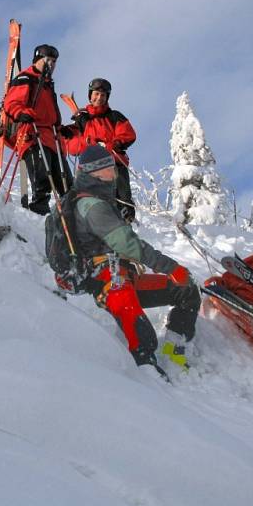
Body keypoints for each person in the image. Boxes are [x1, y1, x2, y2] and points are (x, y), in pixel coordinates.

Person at [65, 144, 200, 370]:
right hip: (107, 283)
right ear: (95, 173)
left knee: (187, 290)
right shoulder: (92, 206)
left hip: (123, 278)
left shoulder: (99, 202)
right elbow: (128, 245)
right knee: (143, 343)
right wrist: (170, 267)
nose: (113, 173)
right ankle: (148, 391)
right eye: (109, 169)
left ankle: (173, 352)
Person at [3, 44, 71, 215]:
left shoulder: (48, 85)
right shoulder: (26, 78)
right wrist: (21, 113)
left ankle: (71, 216)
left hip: (52, 138)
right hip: (32, 134)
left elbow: (50, 115)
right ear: (37, 60)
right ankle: (39, 214)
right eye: (47, 60)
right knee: (42, 179)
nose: (51, 65)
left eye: (54, 61)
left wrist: (62, 129)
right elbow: (12, 103)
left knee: (67, 184)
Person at [61, 78, 137, 221]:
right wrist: (88, 143)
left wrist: (113, 144)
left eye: (103, 95)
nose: (99, 98)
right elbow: (72, 146)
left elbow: (128, 134)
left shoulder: (114, 116)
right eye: (96, 94)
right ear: (90, 95)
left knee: (123, 199)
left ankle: (125, 225)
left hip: (114, 164)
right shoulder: (82, 120)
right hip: (92, 168)